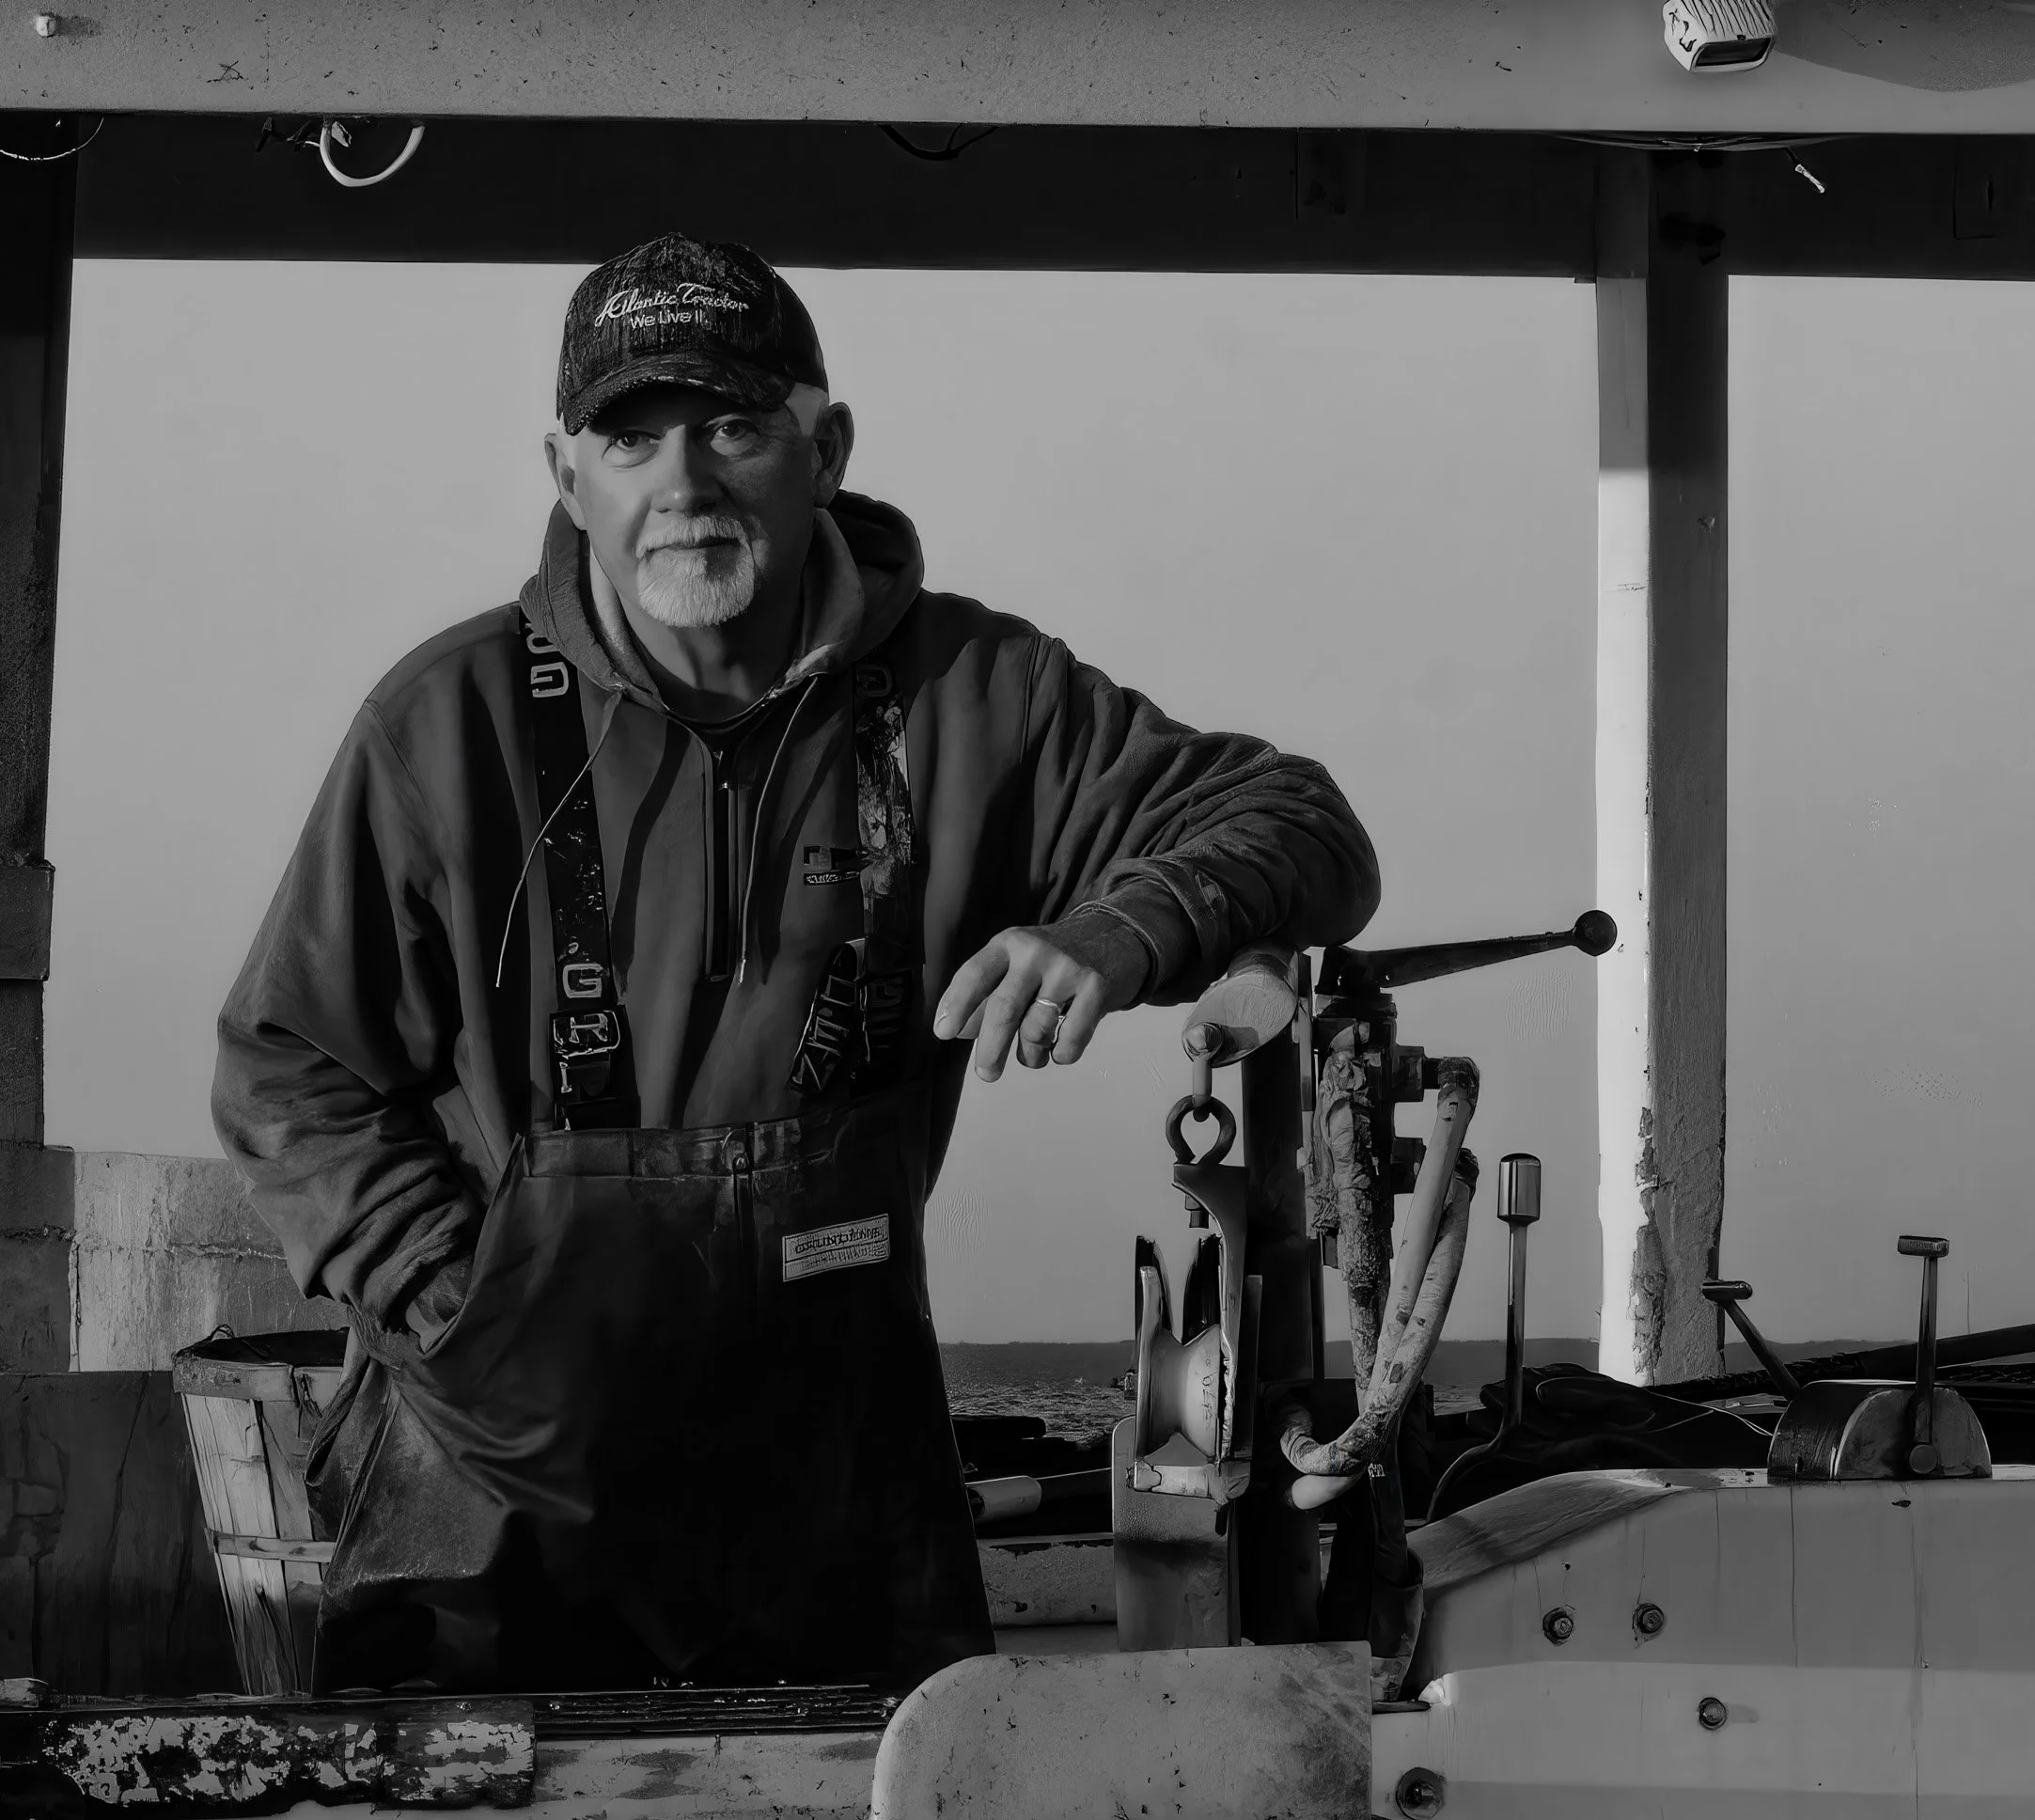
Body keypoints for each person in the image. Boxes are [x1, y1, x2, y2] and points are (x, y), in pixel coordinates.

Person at [211, 233, 1379, 1696]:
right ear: (567, 478)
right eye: (629, 437)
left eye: (732, 426)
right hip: (493, 1505)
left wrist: (1116, 928)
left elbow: (1302, 825)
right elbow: (289, 1065)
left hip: (834, 1511)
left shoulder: (981, 696)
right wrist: (462, 1311)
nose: (682, 484)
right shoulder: (443, 724)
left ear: (825, 451)